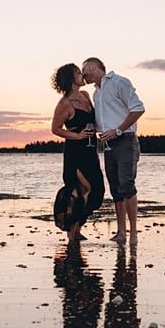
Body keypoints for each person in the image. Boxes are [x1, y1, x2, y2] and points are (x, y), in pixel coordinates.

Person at [80, 57, 145, 244]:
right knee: (116, 190)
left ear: (93, 67)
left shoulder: (119, 82)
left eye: (84, 70)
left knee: (126, 185)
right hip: (108, 146)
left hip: (125, 141)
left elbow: (138, 109)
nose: (83, 75)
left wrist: (118, 130)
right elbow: (104, 119)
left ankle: (133, 234)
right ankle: (121, 233)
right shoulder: (96, 93)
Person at [50, 63, 105, 242]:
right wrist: (77, 135)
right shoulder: (64, 103)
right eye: (77, 72)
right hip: (75, 152)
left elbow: (94, 120)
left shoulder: (85, 95)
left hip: (90, 150)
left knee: (97, 193)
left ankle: (75, 227)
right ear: (70, 78)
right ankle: (72, 230)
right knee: (84, 190)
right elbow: (56, 129)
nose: (81, 74)